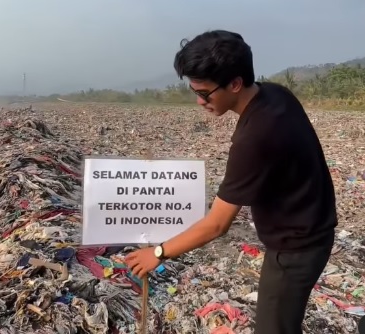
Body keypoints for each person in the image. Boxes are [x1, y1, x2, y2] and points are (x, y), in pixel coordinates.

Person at [125, 30, 338, 334]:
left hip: (297, 248)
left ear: (235, 83)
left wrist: (157, 253)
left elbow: (217, 224)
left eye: (204, 93)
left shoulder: (255, 136)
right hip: (312, 227)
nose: (199, 101)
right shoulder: (275, 94)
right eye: (193, 91)